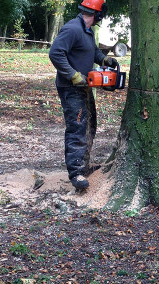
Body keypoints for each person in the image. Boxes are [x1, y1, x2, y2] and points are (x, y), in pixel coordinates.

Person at [49, 0, 118, 193]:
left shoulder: (88, 31)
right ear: (97, 14)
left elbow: (91, 51)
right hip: (71, 87)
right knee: (77, 127)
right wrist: (72, 75)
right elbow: (55, 53)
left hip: (84, 86)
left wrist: (104, 59)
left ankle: (84, 166)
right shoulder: (72, 29)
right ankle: (76, 173)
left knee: (90, 125)